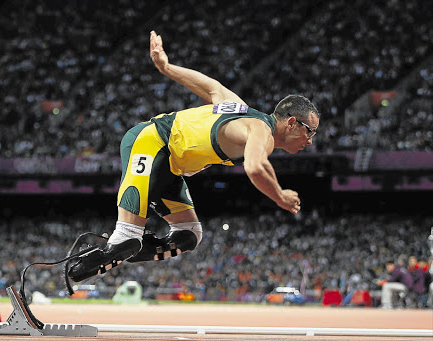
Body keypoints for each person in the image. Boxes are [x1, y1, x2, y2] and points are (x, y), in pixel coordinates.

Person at [68, 31, 320, 282]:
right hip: (150, 141)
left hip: (171, 167)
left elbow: (211, 87)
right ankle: (94, 258)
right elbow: (255, 168)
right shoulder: (260, 130)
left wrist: (166, 67)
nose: (310, 141)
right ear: (291, 123)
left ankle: (131, 249)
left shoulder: (241, 109)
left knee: (188, 234)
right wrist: (280, 196)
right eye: (309, 132)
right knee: (127, 233)